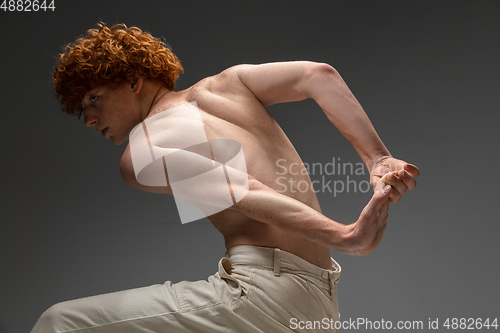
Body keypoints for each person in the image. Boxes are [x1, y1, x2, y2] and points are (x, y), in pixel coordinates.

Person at [32, 22, 419, 332]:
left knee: (59, 323)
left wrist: (347, 236)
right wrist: (378, 157)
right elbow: (317, 76)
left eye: (94, 99)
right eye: (81, 109)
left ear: (134, 81)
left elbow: (240, 189)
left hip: (262, 298)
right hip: (317, 302)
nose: (89, 119)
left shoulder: (141, 152)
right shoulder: (230, 85)